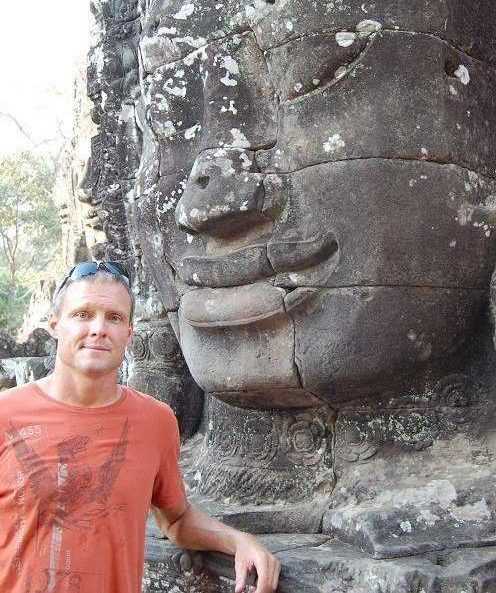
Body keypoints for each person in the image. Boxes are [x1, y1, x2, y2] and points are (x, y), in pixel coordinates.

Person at [0, 261, 280, 593]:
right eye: (82, 315)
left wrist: (239, 541)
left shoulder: (155, 422)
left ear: (129, 333)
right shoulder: (7, 414)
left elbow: (176, 519)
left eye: (114, 317)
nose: (98, 329)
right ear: (55, 324)